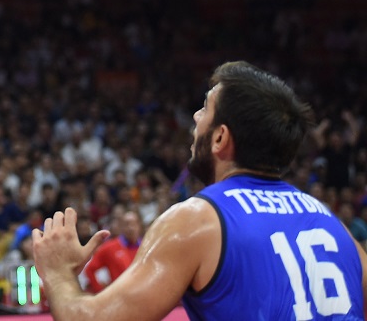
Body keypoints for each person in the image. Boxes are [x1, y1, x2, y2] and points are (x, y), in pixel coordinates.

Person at [33, 61, 367, 321]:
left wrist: (58, 273)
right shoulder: (331, 223)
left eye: (205, 108)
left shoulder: (198, 219)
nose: (195, 117)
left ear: (220, 138)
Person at [81, 209, 142, 293]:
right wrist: (100, 292)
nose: (130, 228)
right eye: (127, 224)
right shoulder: (109, 247)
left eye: (133, 224)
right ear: (122, 227)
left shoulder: (146, 246)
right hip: (119, 299)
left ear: (139, 225)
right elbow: (89, 270)